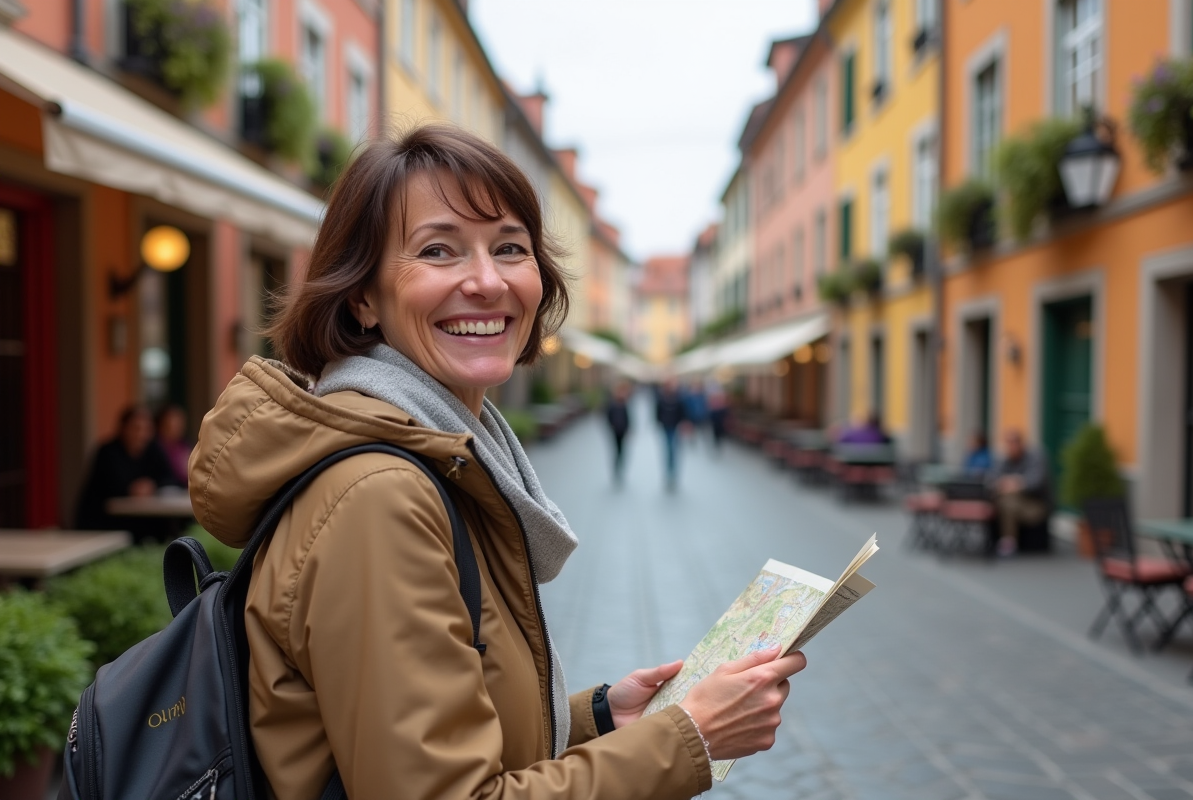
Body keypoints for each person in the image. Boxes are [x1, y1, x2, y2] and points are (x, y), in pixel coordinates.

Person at [188, 125, 806, 800]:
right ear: (363, 295)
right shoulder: (380, 495)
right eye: (438, 250)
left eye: (510, 248)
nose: (486, 281)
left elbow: (440, 743)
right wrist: (687, 738)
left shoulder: (445, 457)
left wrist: (597, 719)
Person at [75, 405, 180, 542]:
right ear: (123, 429)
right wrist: (130, 489)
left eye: (147, 429)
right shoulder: (108, 452)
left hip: (143, 519)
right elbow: (108, 487)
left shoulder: (153, 450)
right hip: (106, 521)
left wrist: (152, 486)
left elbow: (171, 478)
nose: (141, 434)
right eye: (136, 428)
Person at [988, 428, 1051, 557]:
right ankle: (1000, 540)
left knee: (1008, 501)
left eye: (1014, 443)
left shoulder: (1036, 457)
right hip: (1008, 502)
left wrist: (1016, 483)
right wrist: (1006, 484)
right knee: (1003, 500)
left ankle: (1008, 541)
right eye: (1008, 443)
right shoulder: (1004, 460)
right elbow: (993, 479)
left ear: (1021, 443)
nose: (1011, 447)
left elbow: (1036, 482)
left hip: (1035, 505)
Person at [656, 377, 687, 490]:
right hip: (666, 426)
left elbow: (683, 412)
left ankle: (673, 473)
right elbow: (658, 412)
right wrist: (659, 422)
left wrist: (683, 423)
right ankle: (669, 472)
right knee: (669, 449)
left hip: (676, 426)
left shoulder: (678, 398)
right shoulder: (662, 398)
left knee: (673, 450)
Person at [155, 404, 192, 486]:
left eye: (181, 422)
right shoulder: (154, 448)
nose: (179, 426)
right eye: (174, 421)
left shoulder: (184, 446)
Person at [604, 381, 632, 484]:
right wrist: (611, 426)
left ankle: (620, 467)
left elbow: (628, 418)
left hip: (623, 430)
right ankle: (616, 469)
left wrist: (629, 428)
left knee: (622, 450)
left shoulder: (624, 404)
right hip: (615, 431)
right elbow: (608, 417)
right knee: (616, 450)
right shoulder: (612, 404)